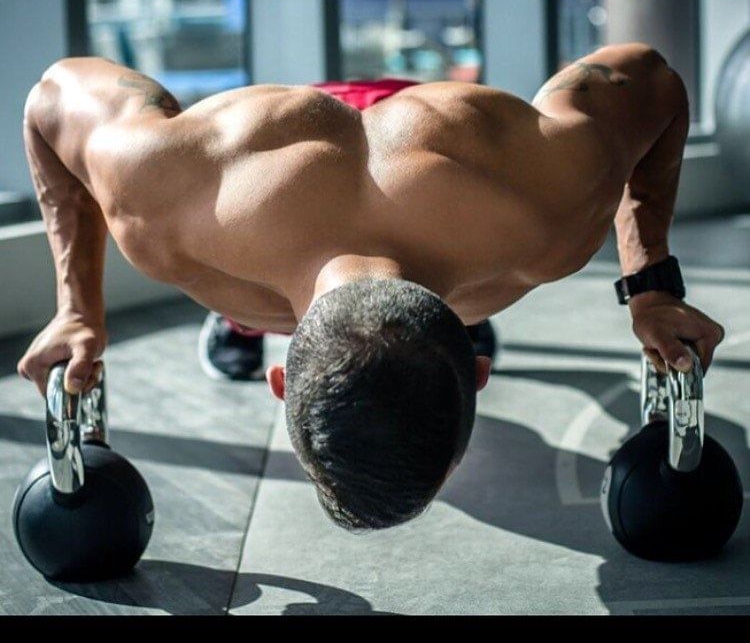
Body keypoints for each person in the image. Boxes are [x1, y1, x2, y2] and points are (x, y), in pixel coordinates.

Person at [17, 43, 725, 530]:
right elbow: (651, 79)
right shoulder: (545, 211)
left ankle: (279, 320)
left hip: (295, 173)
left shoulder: (548, 209)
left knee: (241, 292)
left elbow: (55, 96)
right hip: (293, 175)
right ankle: (272, 318)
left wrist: (652, 288)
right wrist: (650, 283)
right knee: (242, 292)